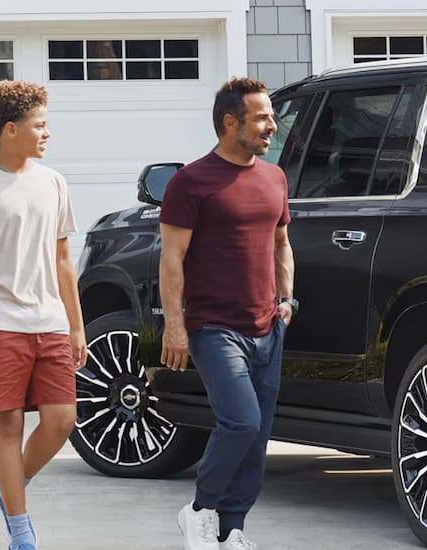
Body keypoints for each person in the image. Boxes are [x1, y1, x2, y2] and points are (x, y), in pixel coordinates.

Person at [0, 80, 86, 550]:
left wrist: (76, 324)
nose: (47, 134)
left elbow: (64, 259)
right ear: (11, 130)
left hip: (48, 321)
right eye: (39, 125)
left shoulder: (54, 182)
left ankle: (8, 491)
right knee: (7, 427)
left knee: (62, 420)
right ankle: (22, 532)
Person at [162, 77, 295, 550]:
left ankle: (232, 529)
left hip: (267, 326)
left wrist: (288, 300)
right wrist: (175, 325)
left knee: (257, 436)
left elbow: (282, 243)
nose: (271, 126)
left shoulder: (274, 177)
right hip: (214, 327)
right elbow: (172, 257)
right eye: (261, 117)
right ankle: (199, 512)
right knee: (240, 421)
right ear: (229, 122)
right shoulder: (191, 181)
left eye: (271, 117)